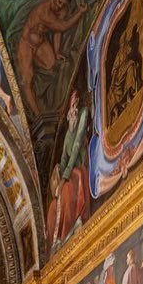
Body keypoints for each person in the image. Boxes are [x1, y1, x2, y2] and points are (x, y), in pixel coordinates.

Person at [16, 0, 88, 117]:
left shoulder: (62, 10)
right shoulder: (43, 10)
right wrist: (80, 13)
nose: (60, 6)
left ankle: (52, 100)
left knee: (52, 65)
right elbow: (62, 26)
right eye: (59, 2)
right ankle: (38, 115)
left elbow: (57, 32)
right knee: (27, 79)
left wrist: (56, 52)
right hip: (26, 44)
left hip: (41, 43)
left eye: (64, 4)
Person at [47, 92, 90, 248]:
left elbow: (78, 144)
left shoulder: (83, 114)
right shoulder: (68, 132)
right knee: (53, 206)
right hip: (69, 171)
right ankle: (58, 239)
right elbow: (64, 157)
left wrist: (64, 177)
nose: (75, 108)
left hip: (81, 165)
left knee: (70, 183)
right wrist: (59, 182)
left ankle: (73, 224)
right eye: (72, 105)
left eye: (76, 104)